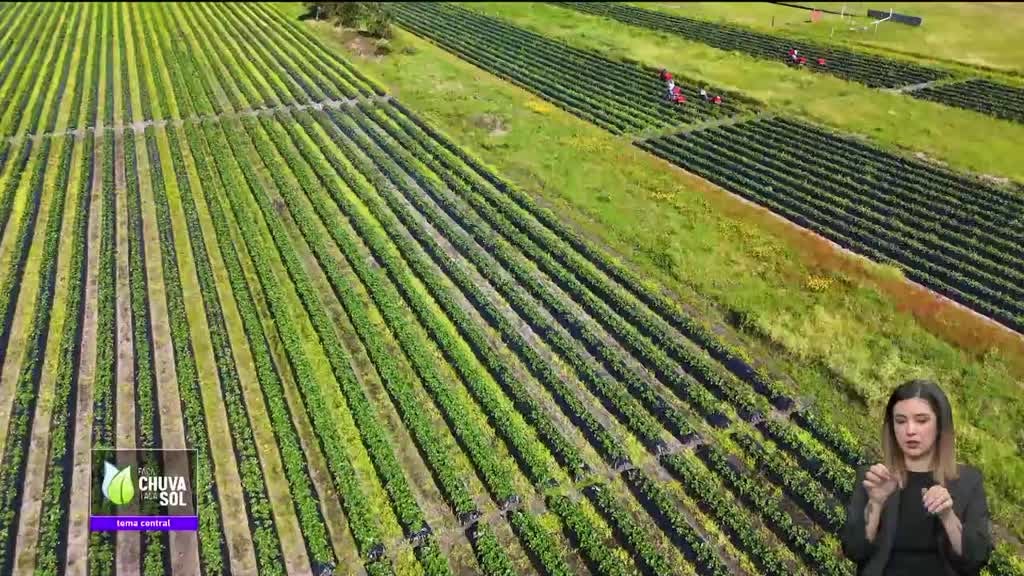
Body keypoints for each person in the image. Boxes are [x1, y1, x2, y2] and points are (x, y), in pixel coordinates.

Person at [840, 380, 993, 576]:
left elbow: (977, 558)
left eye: (921, 420)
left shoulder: (968, 481)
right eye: (901, 421)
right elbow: (854, 550)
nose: (910, 430)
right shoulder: (874, 478)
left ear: (939, 425)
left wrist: (948, 515)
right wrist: (876, 504)